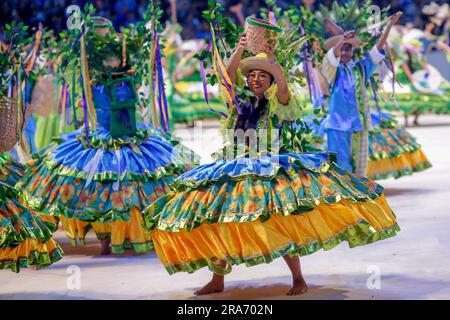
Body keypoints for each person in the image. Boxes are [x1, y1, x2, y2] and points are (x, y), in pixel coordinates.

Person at [142, 23, 400, 296]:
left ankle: (298, 278)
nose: (255, 79)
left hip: (269, 166)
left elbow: (284, 88)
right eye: (251, 75)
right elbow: (227, 78)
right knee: (219, 221)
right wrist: (240, 50)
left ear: (270, 81)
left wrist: (274, 63)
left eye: (261, 76)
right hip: (234, 165)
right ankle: (217, 279)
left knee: (281, 220)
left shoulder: (277, 103)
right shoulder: (238, 102)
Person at [17, 16, 198, 255]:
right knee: (99, 186)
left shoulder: (124, 76)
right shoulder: (92, 78)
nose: (109, 59)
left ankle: (143, 230)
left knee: (130, 185)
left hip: (128, 133)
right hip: (101, 135)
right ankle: (104, 238)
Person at [320, 12, 402, 176]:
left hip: (359, 125)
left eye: (348, 49)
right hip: (337, 126)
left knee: (359, 170)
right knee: (339, 169)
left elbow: (377, 50)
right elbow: (332, 57)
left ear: (353, 51)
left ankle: (357, 201)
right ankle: (342, 200)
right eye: (342, 49)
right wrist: (343, 39)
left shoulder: (360, 68)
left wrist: (389, 26)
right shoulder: (332, 70)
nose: (344, 52)